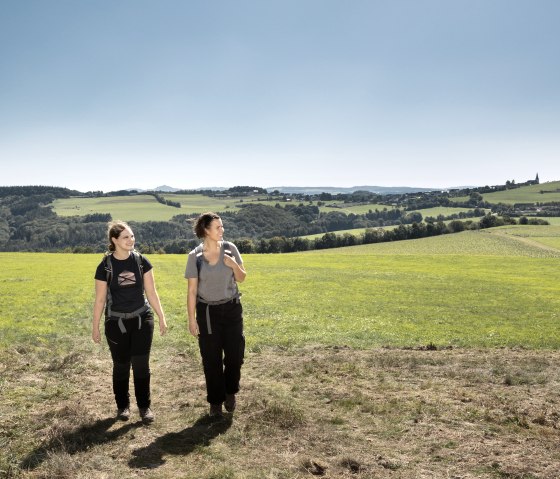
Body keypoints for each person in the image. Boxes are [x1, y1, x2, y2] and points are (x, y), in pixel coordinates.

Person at [92, 220, 167, 424]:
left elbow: (151, 292)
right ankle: (123, 407)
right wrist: (95, 327)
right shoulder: (105, 267)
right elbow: (100, 299)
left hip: (142, 320)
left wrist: (161, 316)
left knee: (141, 365)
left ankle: (144, 407)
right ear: (114, 240)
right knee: (121, 366)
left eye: (132, 236)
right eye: (125, 237)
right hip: (116, 324)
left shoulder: (142, 261)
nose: (131, 240)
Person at [185, 212, 246, 417]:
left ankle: (230, 391)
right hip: (208, 313)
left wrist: (233, 264)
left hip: (231, 309)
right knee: (211, 359)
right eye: (218, 227)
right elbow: (192, 290)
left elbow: (242, 277)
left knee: (234, 356)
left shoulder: (230, 249)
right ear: (205, 230)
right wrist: (192, 319)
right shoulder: (195, 257)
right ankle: (215, 402)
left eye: (222, 226)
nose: (222, 230)